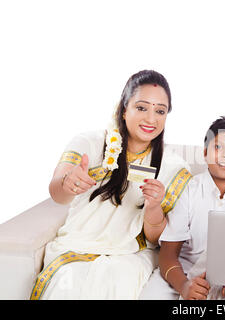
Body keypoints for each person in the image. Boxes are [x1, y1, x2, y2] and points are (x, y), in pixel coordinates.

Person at [30, 70, 192, 300]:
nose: (151, 119)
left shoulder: (173, 166)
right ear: (124, 109)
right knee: (71, 282)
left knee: (119, 278)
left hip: (131, 253)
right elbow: (57, 194)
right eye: (142, 107)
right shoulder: (90, 142)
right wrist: (68, 183)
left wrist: (154, 207)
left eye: (160, 111)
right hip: (79, 245)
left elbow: (157, 240)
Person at [139, 117, 225, 300]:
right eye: (218, 147)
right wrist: (184, 286)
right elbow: (168, 255)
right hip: (180, 275)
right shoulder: (187, 190)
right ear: (205, 153)